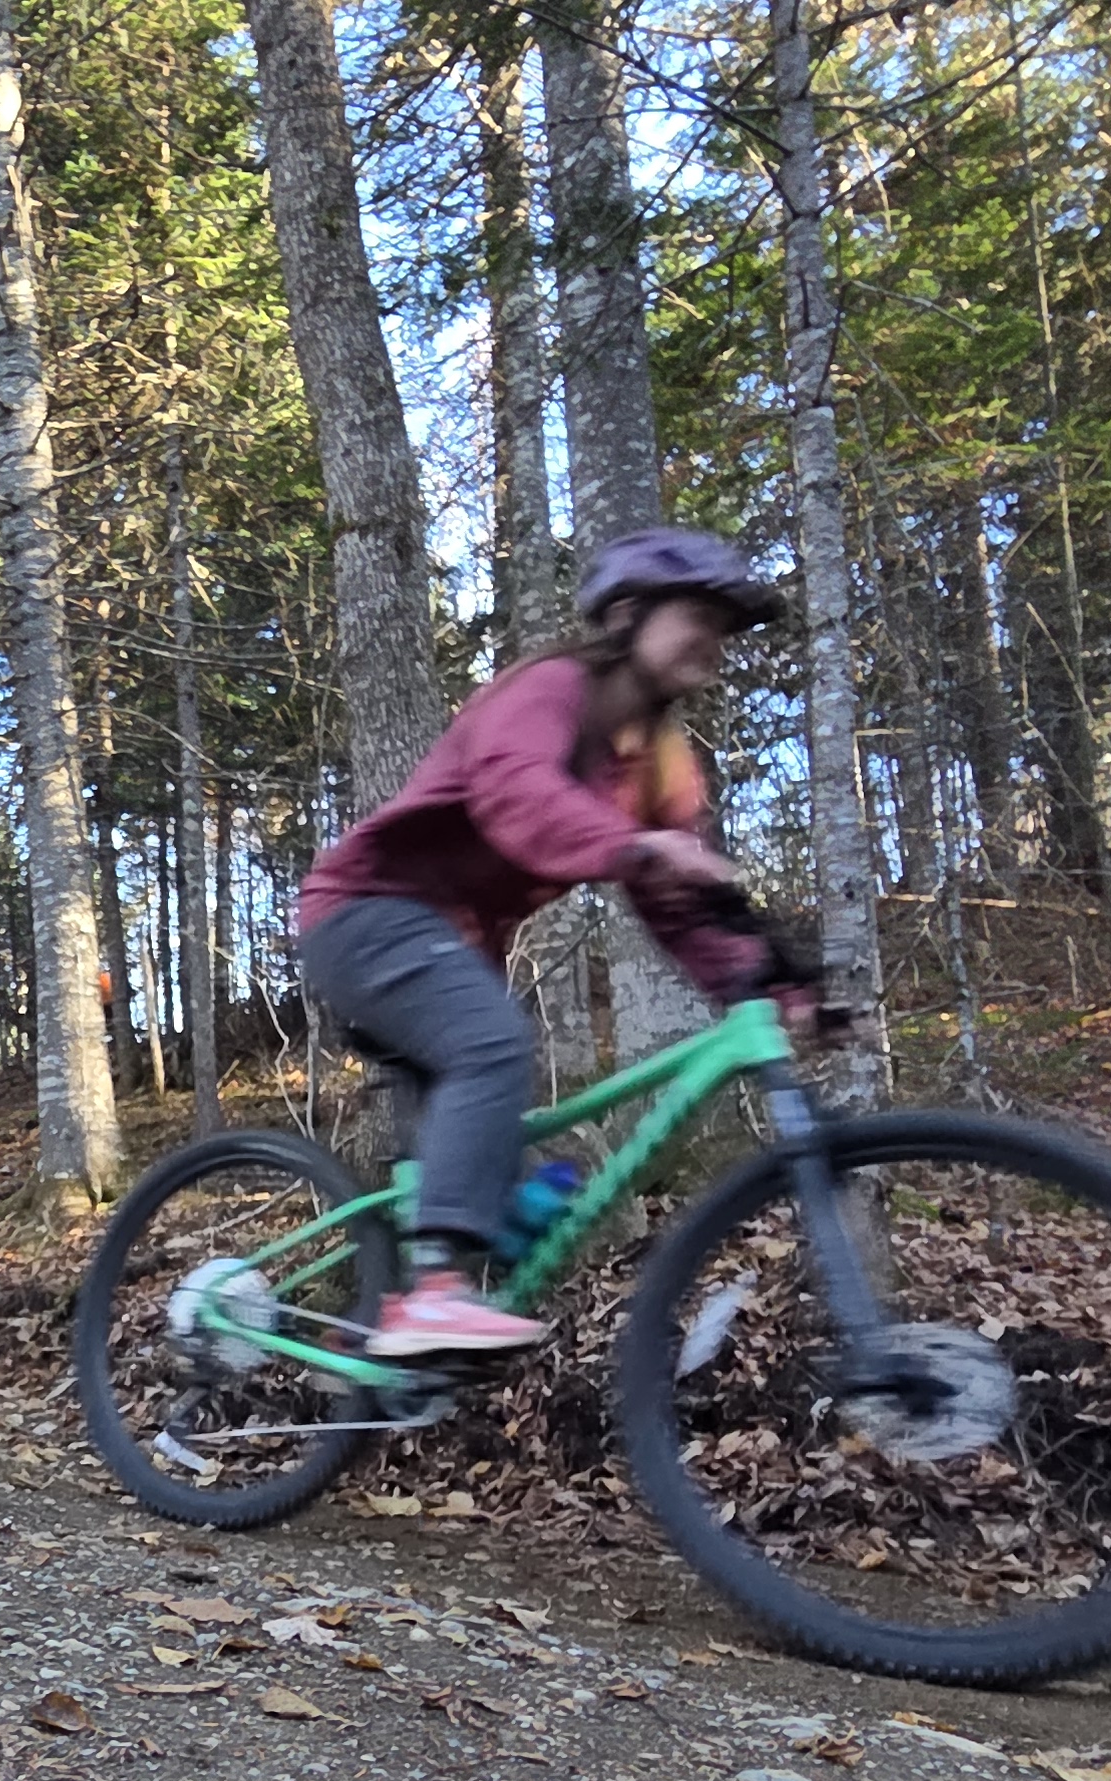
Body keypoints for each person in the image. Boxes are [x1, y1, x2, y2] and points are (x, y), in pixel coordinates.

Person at [293, 525, 811, 1359]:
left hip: (449, 950)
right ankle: (433, 1296)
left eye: (726, 628)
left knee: (509, 1167)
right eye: (699, 618)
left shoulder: (661, 761)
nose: (715, 643)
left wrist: (775, 988)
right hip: (367, 914)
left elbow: (684, 904)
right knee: (493, 1045)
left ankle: (396, 1353)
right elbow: (516, 789)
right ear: (629, 614)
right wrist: (632, 846)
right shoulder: (549, 687)